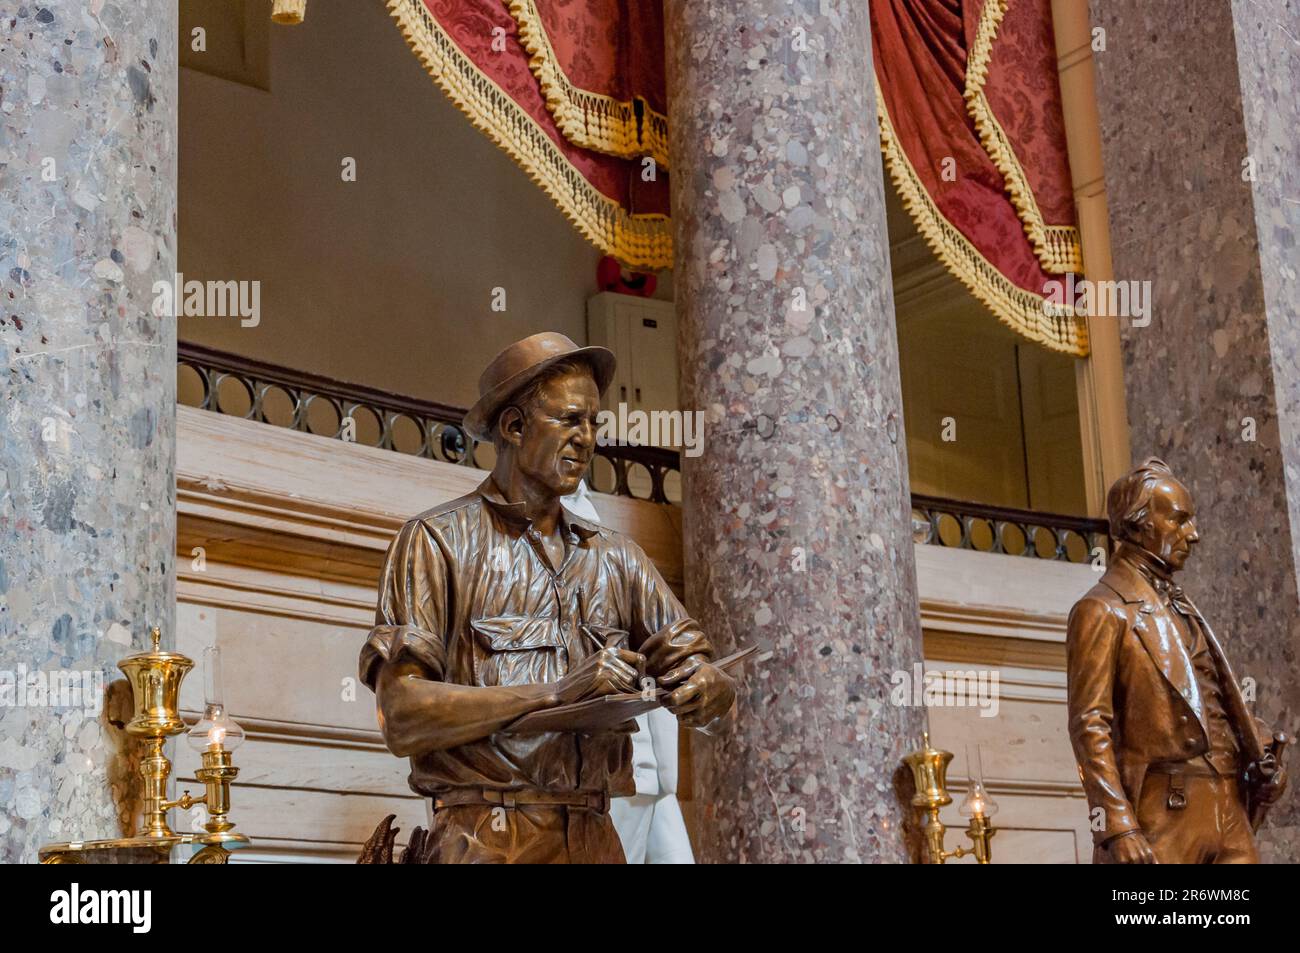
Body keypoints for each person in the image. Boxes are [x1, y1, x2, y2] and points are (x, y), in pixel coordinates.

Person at [359, 332, 735, 863]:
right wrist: (559, 693)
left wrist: (708, 687)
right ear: (513, 427)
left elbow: (701, 670)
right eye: (570, 420)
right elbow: (401, 715)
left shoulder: (616, 556)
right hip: (488, 838)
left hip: (596, 836)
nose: (587, 439)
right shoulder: (436, 541)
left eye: (593, 424)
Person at [1067, 458, 1288, 863]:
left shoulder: (1183, 606)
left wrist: (1257, 756)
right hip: (1165, 809)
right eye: (1180, 520)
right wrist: (1117, 825)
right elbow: (1089, 724)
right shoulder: (1103, 609)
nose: (1195, 534)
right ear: (1139, 524)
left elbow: (1207, 701)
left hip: (1228, 805)